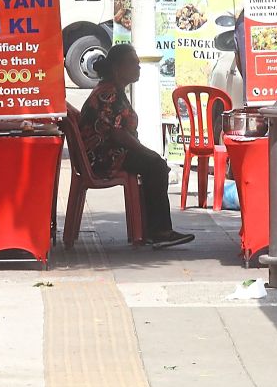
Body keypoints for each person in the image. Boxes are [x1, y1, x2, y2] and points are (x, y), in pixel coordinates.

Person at [78, 44, 194, 249]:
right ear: (117, 68)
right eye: (133, 63)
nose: (138, 67)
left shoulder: (115, 90)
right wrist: (146, 152)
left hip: (110, 152)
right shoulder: (109, 94)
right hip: (103, 157)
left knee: (153, 163)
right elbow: (118, 134)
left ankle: (150, 229)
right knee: (156, 165)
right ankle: (160, 231)